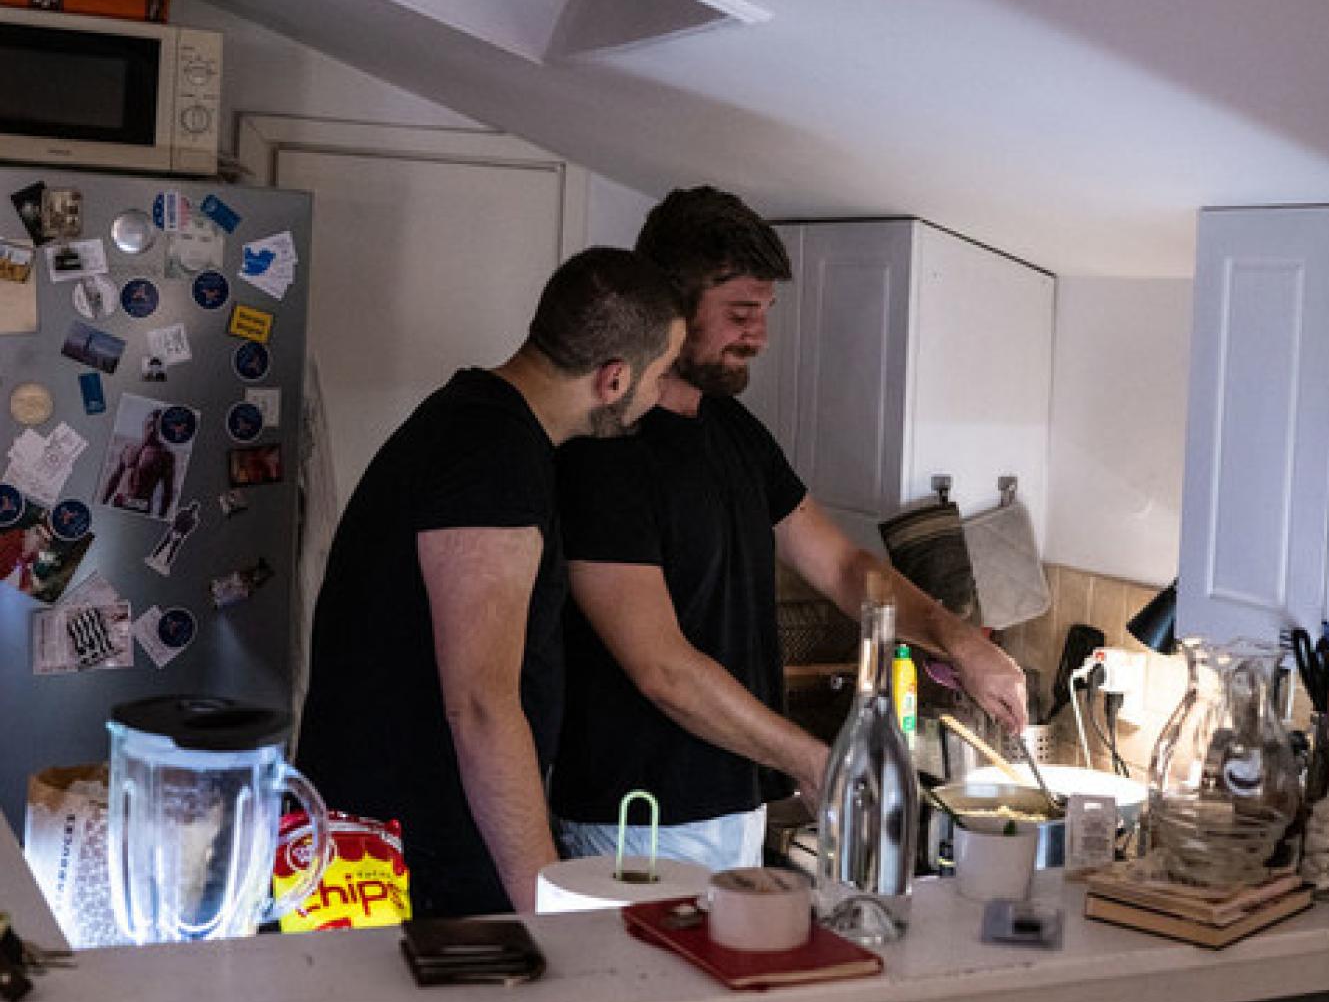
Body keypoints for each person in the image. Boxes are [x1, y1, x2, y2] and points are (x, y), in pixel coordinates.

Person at [551, 188, 1028, 871]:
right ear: (672, 305)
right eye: (741, 313)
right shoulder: (605, 449)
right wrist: (810, 757)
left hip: (733, 803)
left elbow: (841, 568)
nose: (760, 336)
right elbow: (661, 670)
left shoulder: (733, 432)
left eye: (766, 312)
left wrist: (956, 639)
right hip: (635, 817)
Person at [295, 247, 685, 916]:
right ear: (614, 379)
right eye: (665, 372)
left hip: (383, 846)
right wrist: (543, 899)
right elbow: (480, 702)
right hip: (405, 867)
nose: (666, 394)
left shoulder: (475, 425)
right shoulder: (492, 459)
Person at [102, 409, 176, 517]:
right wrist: (102, 504)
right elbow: (115, 478)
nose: (152, 430)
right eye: (150, 425)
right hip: (120, 501)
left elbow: (168, 492)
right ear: (144, 424)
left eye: (157, 427)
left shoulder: (165, 455)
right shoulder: (129, 448)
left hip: (140, 507)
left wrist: (160, 519)